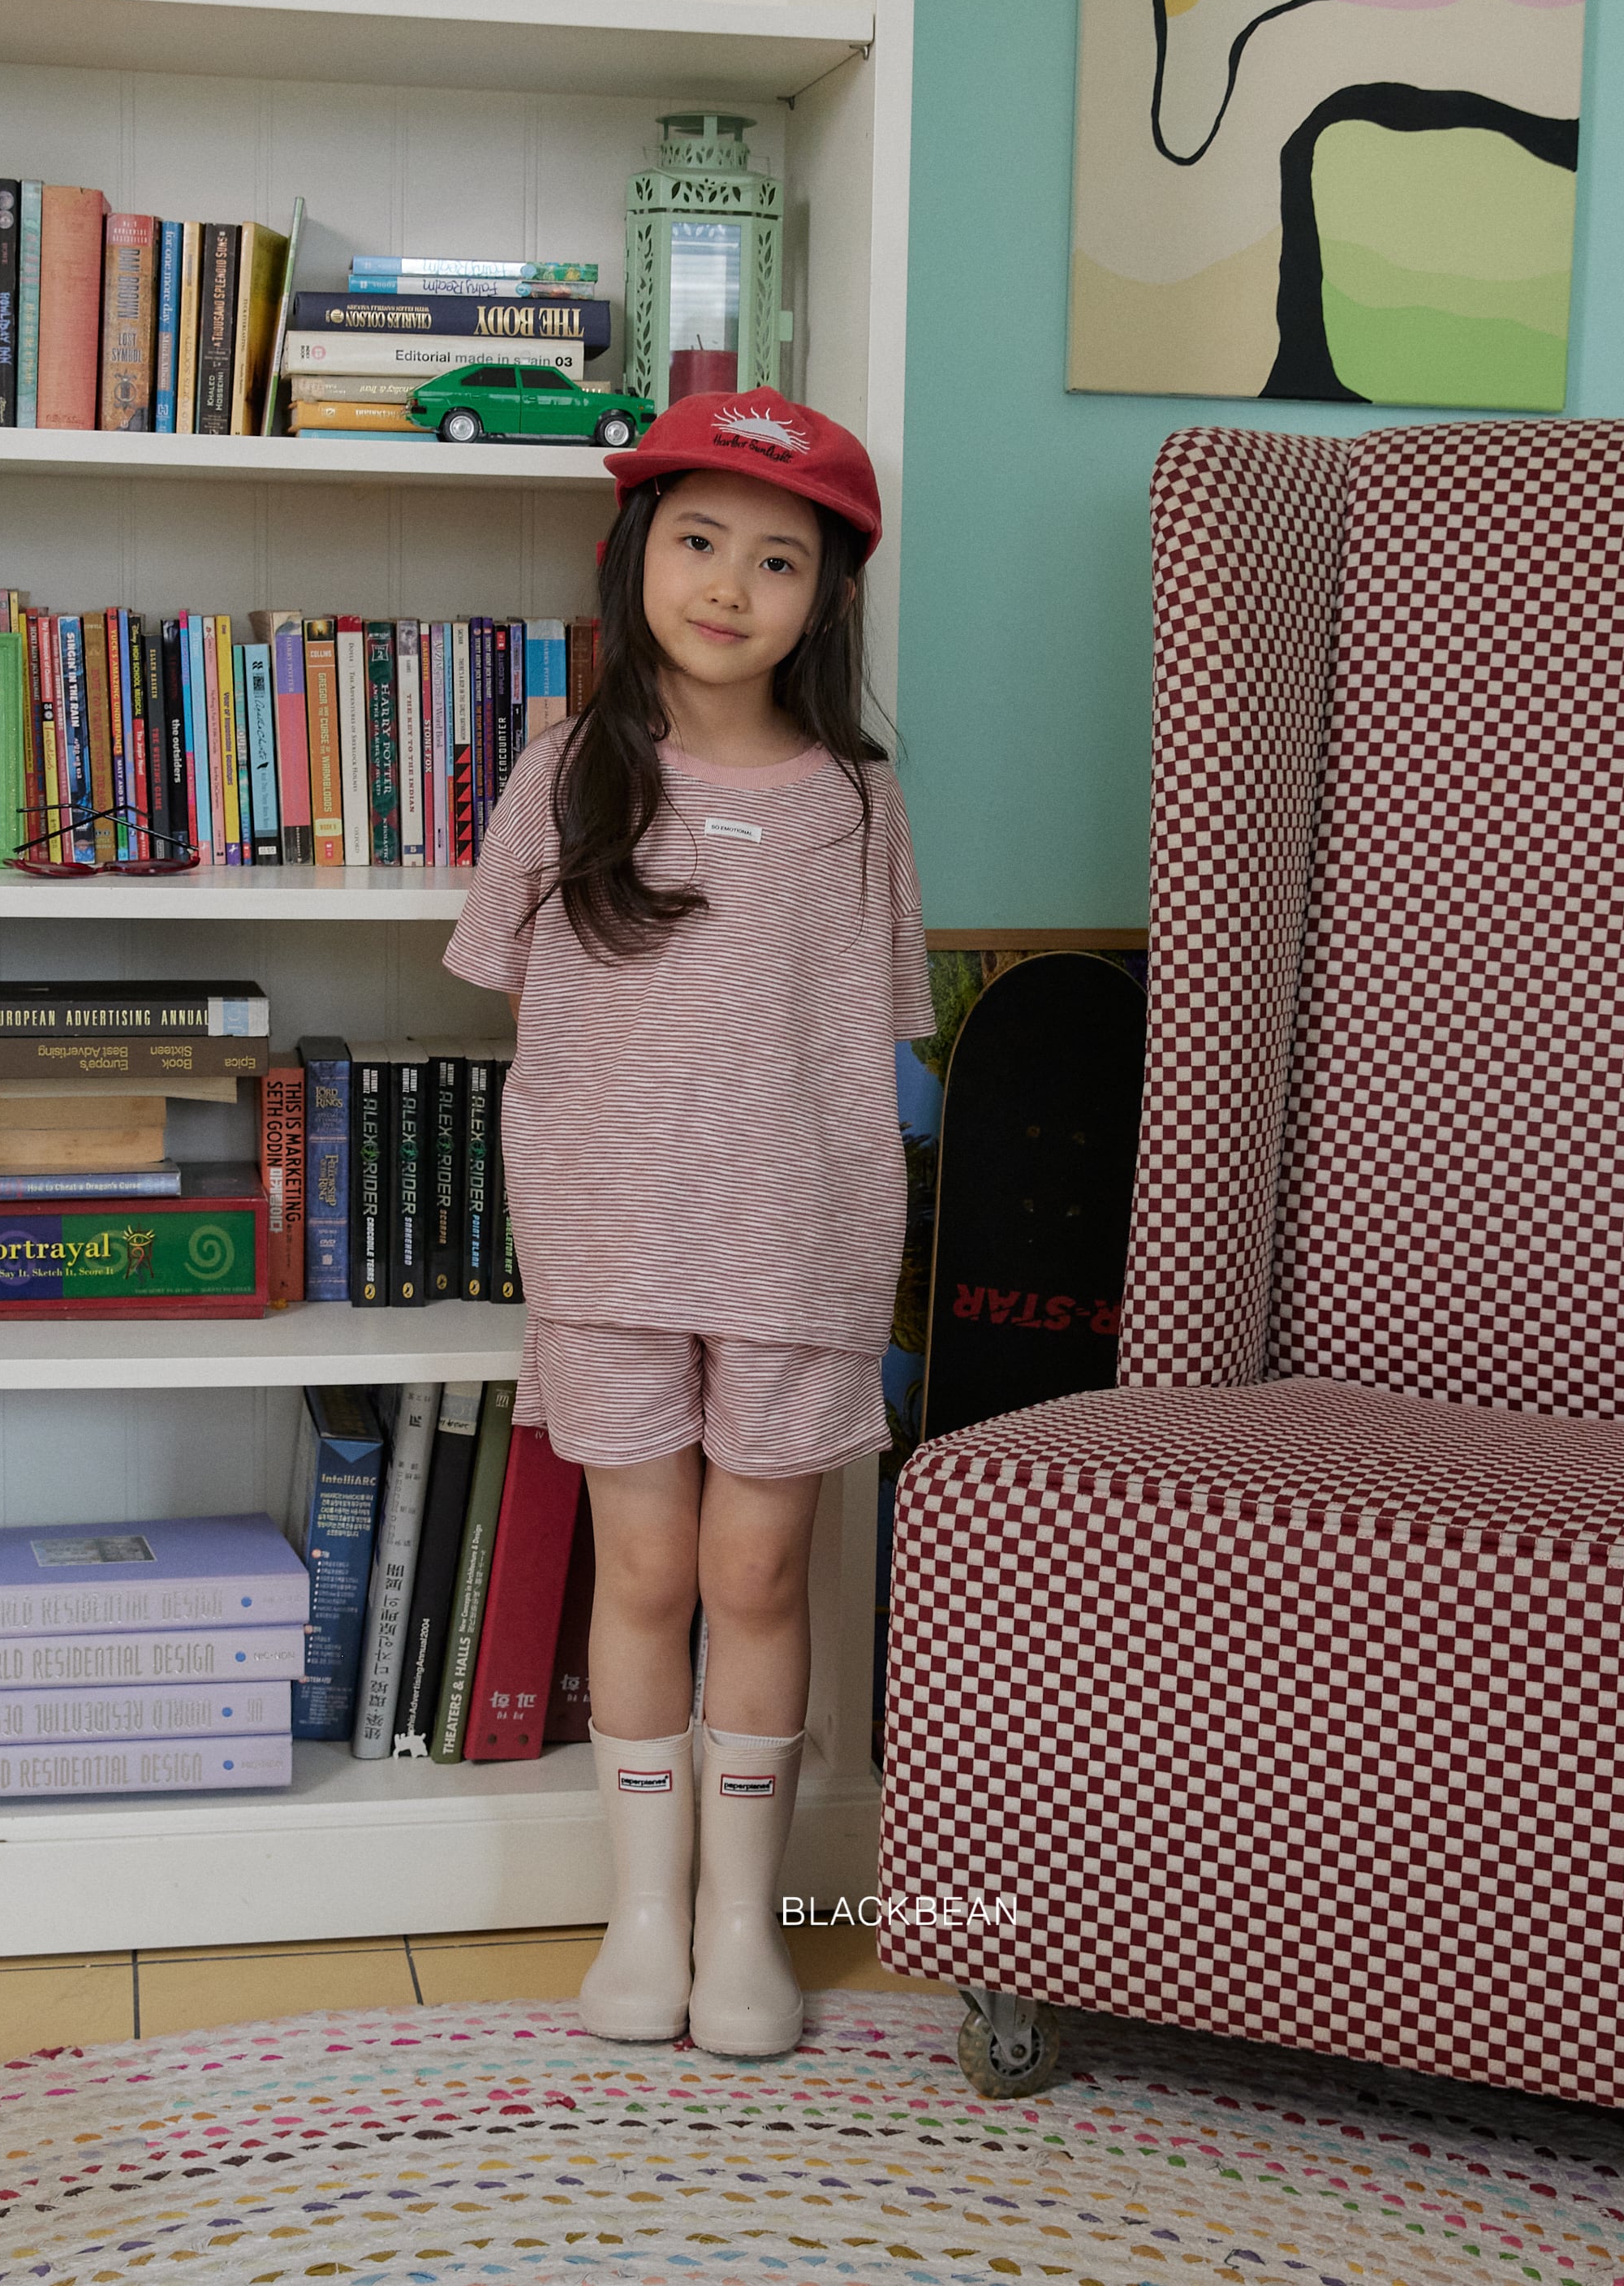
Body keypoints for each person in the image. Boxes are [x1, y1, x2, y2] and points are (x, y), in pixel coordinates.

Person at [443, 388, 933, 2059]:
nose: (731, 584)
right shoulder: (562, 776)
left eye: (779, 559)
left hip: (802, 1251)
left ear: (827, 596)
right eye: (701, 540)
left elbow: (867, 1038)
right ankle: (644, 1916)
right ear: (637, 555)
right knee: (647, 1568)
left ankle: (744, 1924)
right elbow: (530, 1028)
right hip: (612, 1248)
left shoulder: (854, 804)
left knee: (759, 1568)